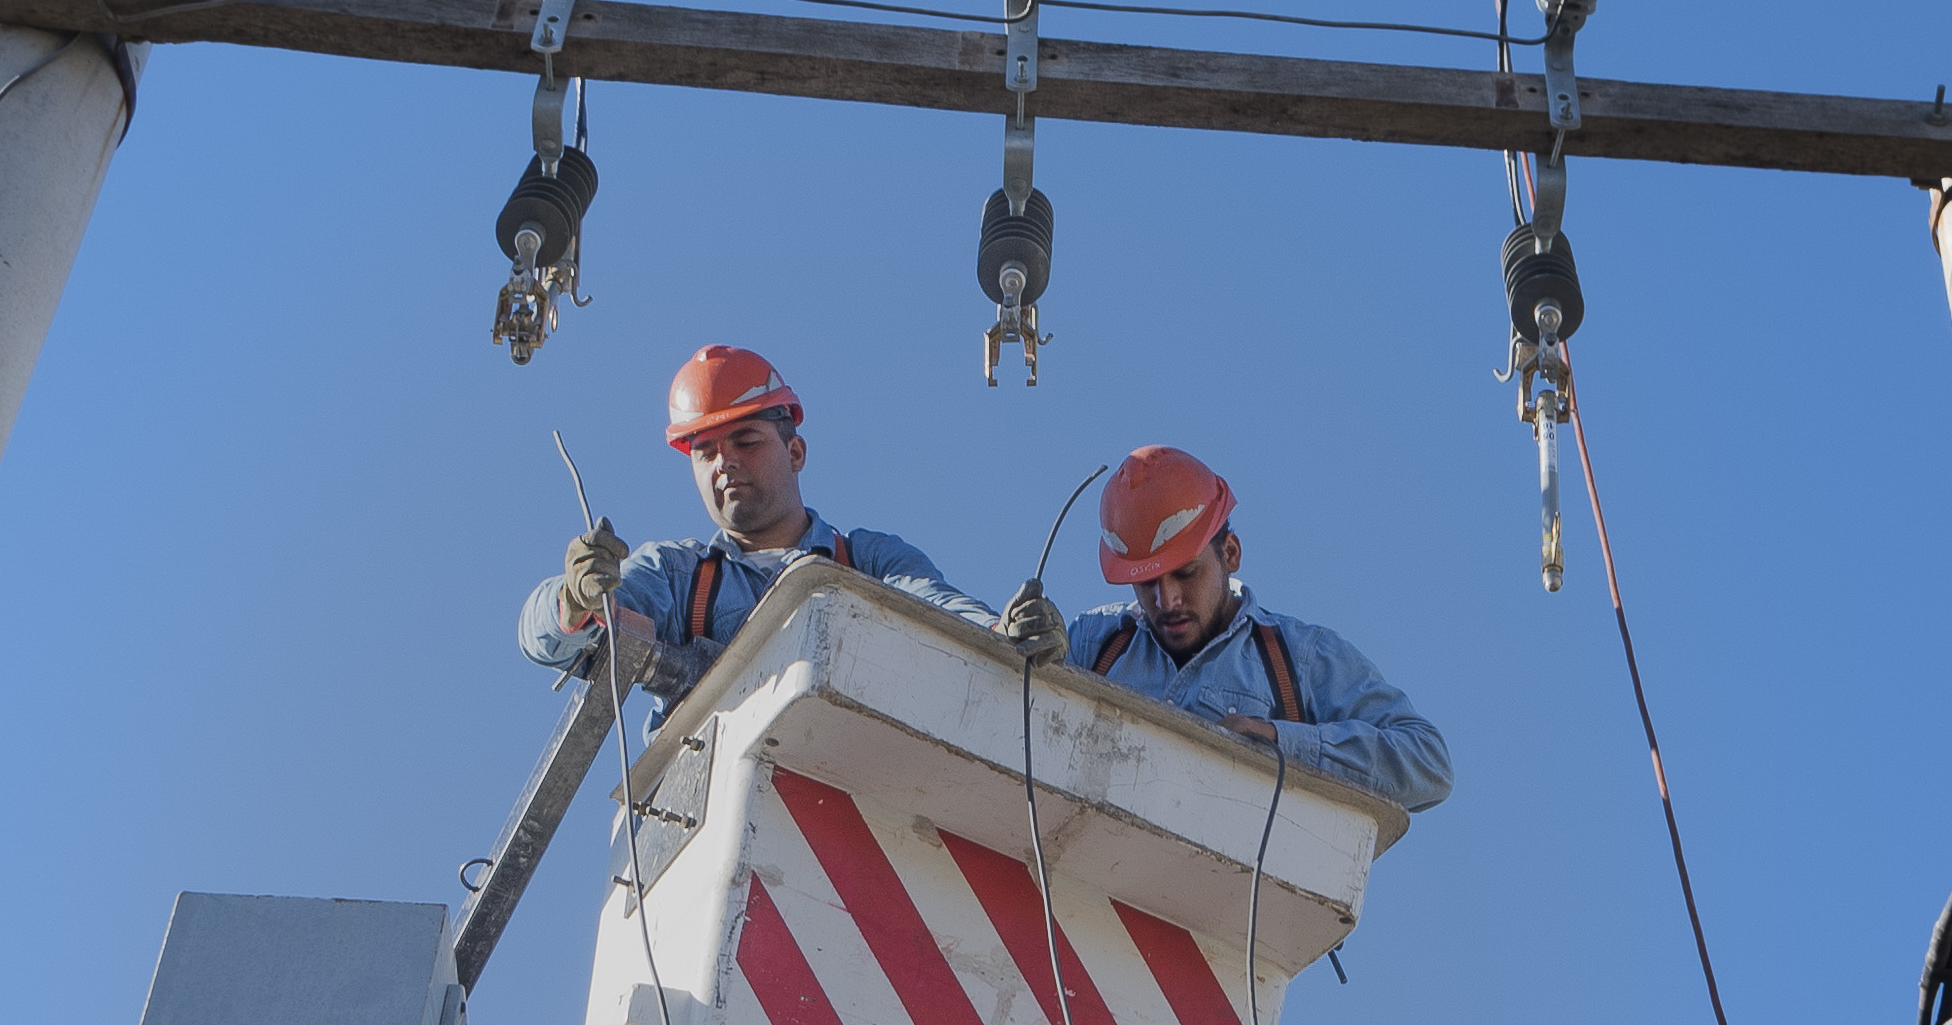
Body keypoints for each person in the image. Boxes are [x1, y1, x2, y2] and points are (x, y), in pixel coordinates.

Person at [522, 343, 979, 697]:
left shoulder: (867, 561)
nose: (725, 463)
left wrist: (1015, 639)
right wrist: (572, 599)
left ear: (794, 453)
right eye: (706, 453)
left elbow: (944, 615)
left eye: (746, 441)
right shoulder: (677, 576)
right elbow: (547, 640)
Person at [1022, 443, 1452, 815]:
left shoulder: (1301, 659)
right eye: (1147, 583)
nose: (1166, 600)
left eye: (1186, 573)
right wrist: (1012, 641)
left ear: (1230, 552)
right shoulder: (1093, 643)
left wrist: (1279, 740)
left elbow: (1427, 762)